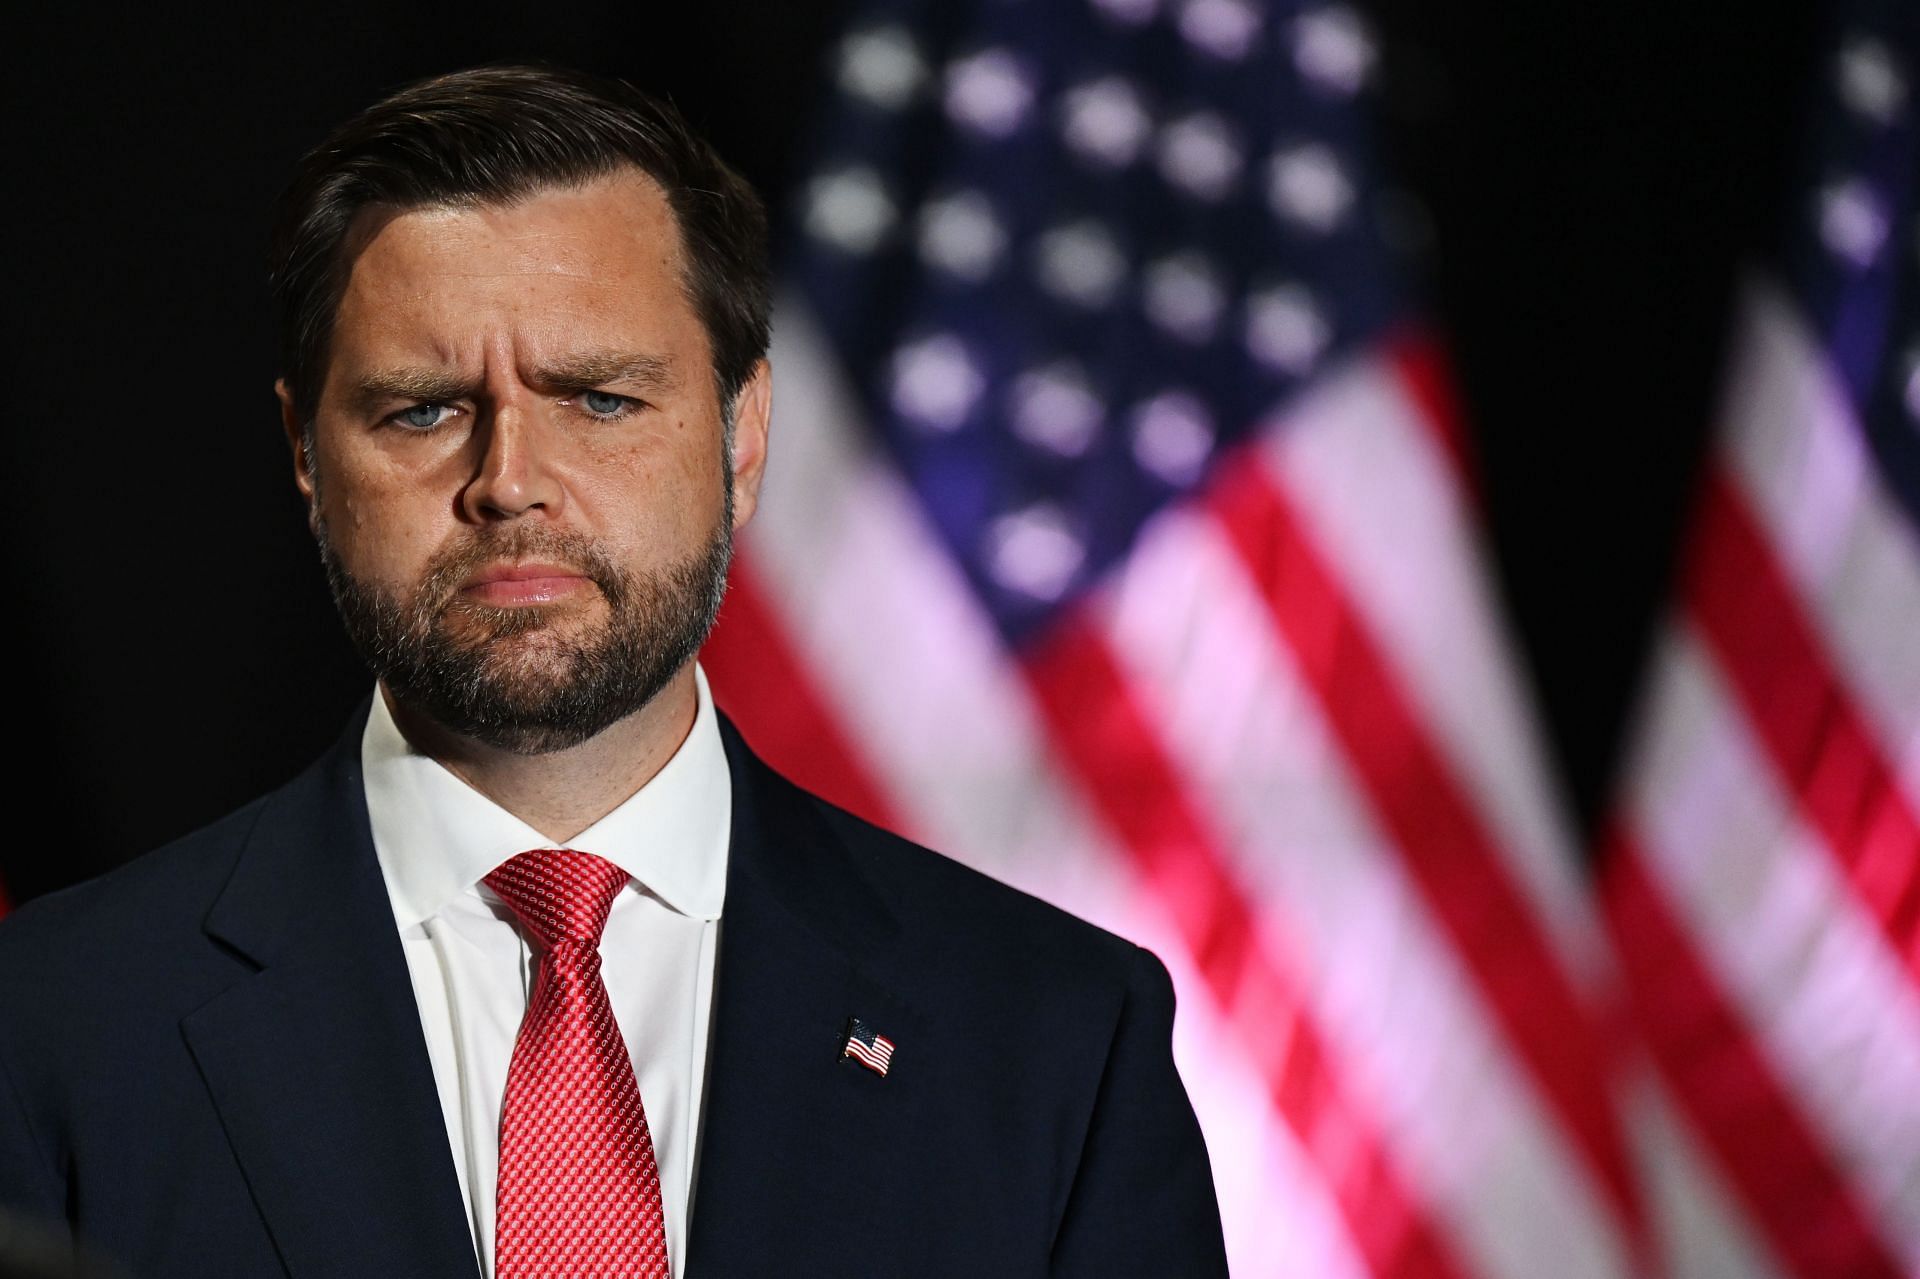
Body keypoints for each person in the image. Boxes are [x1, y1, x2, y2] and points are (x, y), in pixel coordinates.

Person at [0, 65, 1226, 1278]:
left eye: (599, 398)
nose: (510, 478)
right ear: (305, 455)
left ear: (743, 436)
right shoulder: (50, 1023)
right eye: (424, 409)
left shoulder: (1060, 1039)